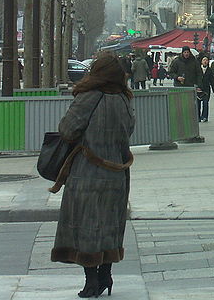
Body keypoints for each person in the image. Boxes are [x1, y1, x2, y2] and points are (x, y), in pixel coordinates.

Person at [50, 52, 135, 298]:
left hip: (87, 170)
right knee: (109, 223)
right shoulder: (124, 98)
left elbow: (67, 129)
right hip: (117, 172)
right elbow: (129, 130)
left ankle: (90, 282)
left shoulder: (88, 96)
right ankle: (106, 275)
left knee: (87, 225)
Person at [197, 55, 214, 123]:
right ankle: (198, 117)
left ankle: (205, 117)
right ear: (201, 61)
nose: (205, 61)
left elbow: (212, 81)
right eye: (204, 60)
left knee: (205, 103)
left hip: (206, 89)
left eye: (206, 60)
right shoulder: (198, 70)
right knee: (198, 104)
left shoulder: (209, 70)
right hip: (198, 89)